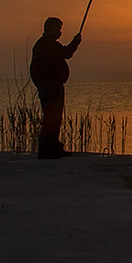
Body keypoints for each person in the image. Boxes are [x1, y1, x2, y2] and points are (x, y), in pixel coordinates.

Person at [29, 17, 82, 159]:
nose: (60, 32)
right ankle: (48, 149)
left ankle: (52, 147)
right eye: (58, 29)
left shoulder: (44, 44)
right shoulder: (47, 45)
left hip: (49, 85)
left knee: (53, 118)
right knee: (52, 118)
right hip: (51, 86)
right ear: (51, 29)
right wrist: (75, 42)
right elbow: (66, 53)